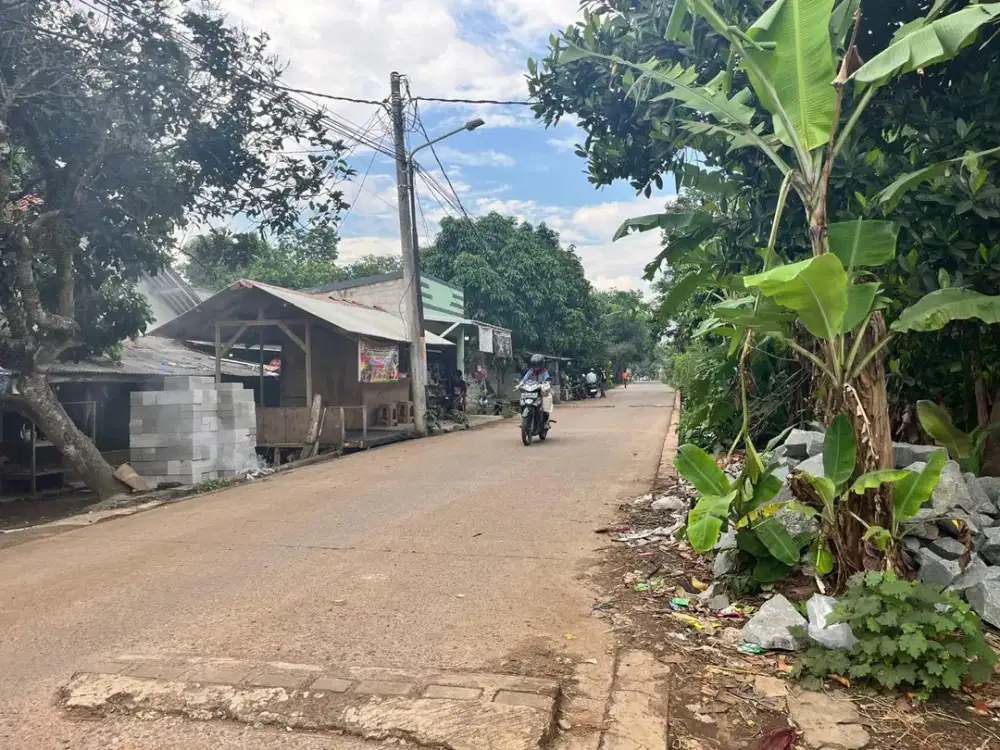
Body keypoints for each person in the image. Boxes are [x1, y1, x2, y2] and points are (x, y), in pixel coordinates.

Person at [519, 353, 553, 424]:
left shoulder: (544, 371)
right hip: (531, 390)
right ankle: (524, 418)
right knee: (523, 399)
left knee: (546, 401)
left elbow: (547, 378)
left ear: (541, 364)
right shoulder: (531, 371)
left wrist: (547, 383)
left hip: (540, 390)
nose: (536, 367)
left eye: (537, 365)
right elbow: (525, 379)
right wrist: (520, 384)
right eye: (534, 365)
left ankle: (545, 421)